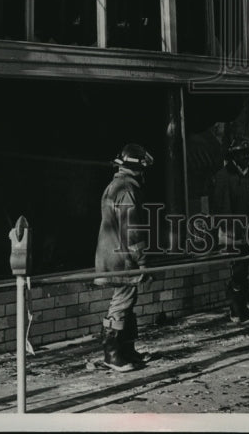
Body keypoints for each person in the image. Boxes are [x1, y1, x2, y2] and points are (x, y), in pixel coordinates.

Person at [94, 142, 153, 371]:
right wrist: (143, 260)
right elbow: (132, 230)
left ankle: (127, 349)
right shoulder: (127, 189)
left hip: (115, 255)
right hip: (122, 258)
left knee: (128, 300)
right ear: (137, 168)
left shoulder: (117, 185)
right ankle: (113, 354)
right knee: (121, 302)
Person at [210, 136, 249, 323]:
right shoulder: (224, 176)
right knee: (238, 272)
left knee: (244, 270)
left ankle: (243, 307)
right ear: (234, 155)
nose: (246, 157)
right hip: (232, 234)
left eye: (247, 153)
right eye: (241, 154)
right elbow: (221, 208)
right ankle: (236, 311)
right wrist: (231, 234)